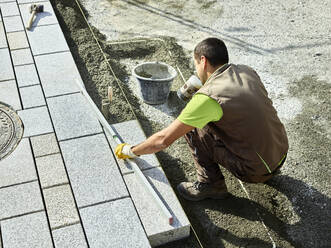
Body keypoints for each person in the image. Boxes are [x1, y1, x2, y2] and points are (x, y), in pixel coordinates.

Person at [115, 37, 288, 201]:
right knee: (221, 121)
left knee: (193, 130)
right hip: (280, 154)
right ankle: (265, 167)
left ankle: (211, 184)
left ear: (203, 61)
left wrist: (131, 150)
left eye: (196, 63)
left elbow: (163, 140)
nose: (196, 69)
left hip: (255, 171)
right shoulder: (246, 71)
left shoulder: (208, 97)